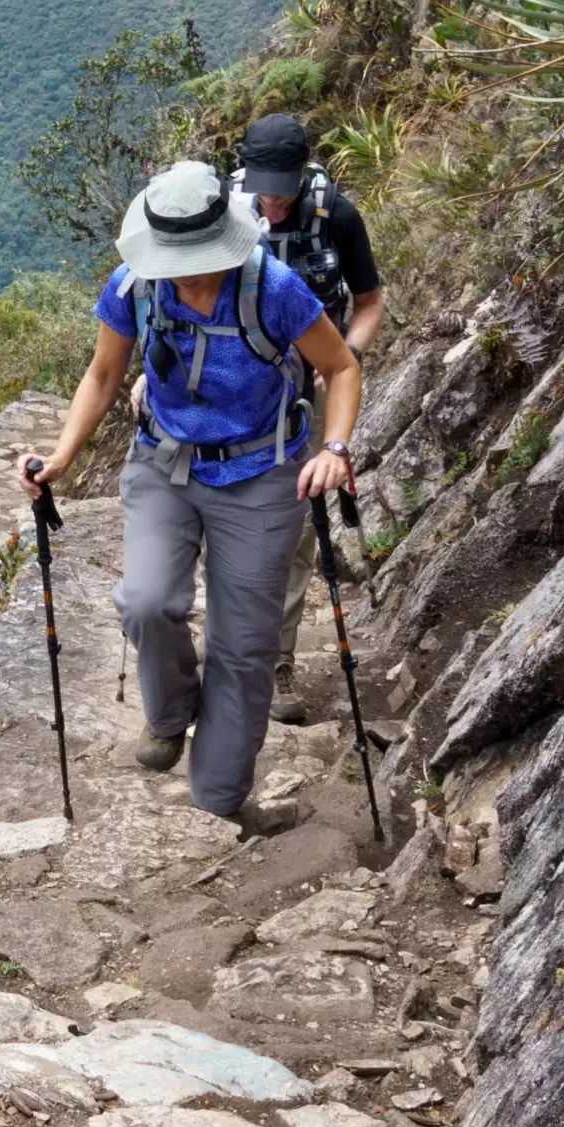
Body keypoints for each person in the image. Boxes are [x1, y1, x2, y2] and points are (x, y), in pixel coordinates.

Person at [19, 159, 362, 832]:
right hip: (164, 463)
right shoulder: (135, 287)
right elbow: (103, 373)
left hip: (262, 476)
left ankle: (217, 800)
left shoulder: (274, 289)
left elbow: (340, 365)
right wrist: (60, 457)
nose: (185, 270)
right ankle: (171, 713)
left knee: (245, 645)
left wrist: (335, 450)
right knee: (147, 602)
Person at [213, 114, 388, 719]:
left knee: (293, 529)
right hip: (234, 386)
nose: (274, 200)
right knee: (224, 513)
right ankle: (229, 653)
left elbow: (368, 303)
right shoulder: (223, 210)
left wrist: (347, 353)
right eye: (265, 187)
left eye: (282, 187)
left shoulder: (336, 215)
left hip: (311, 389)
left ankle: (276, 664)